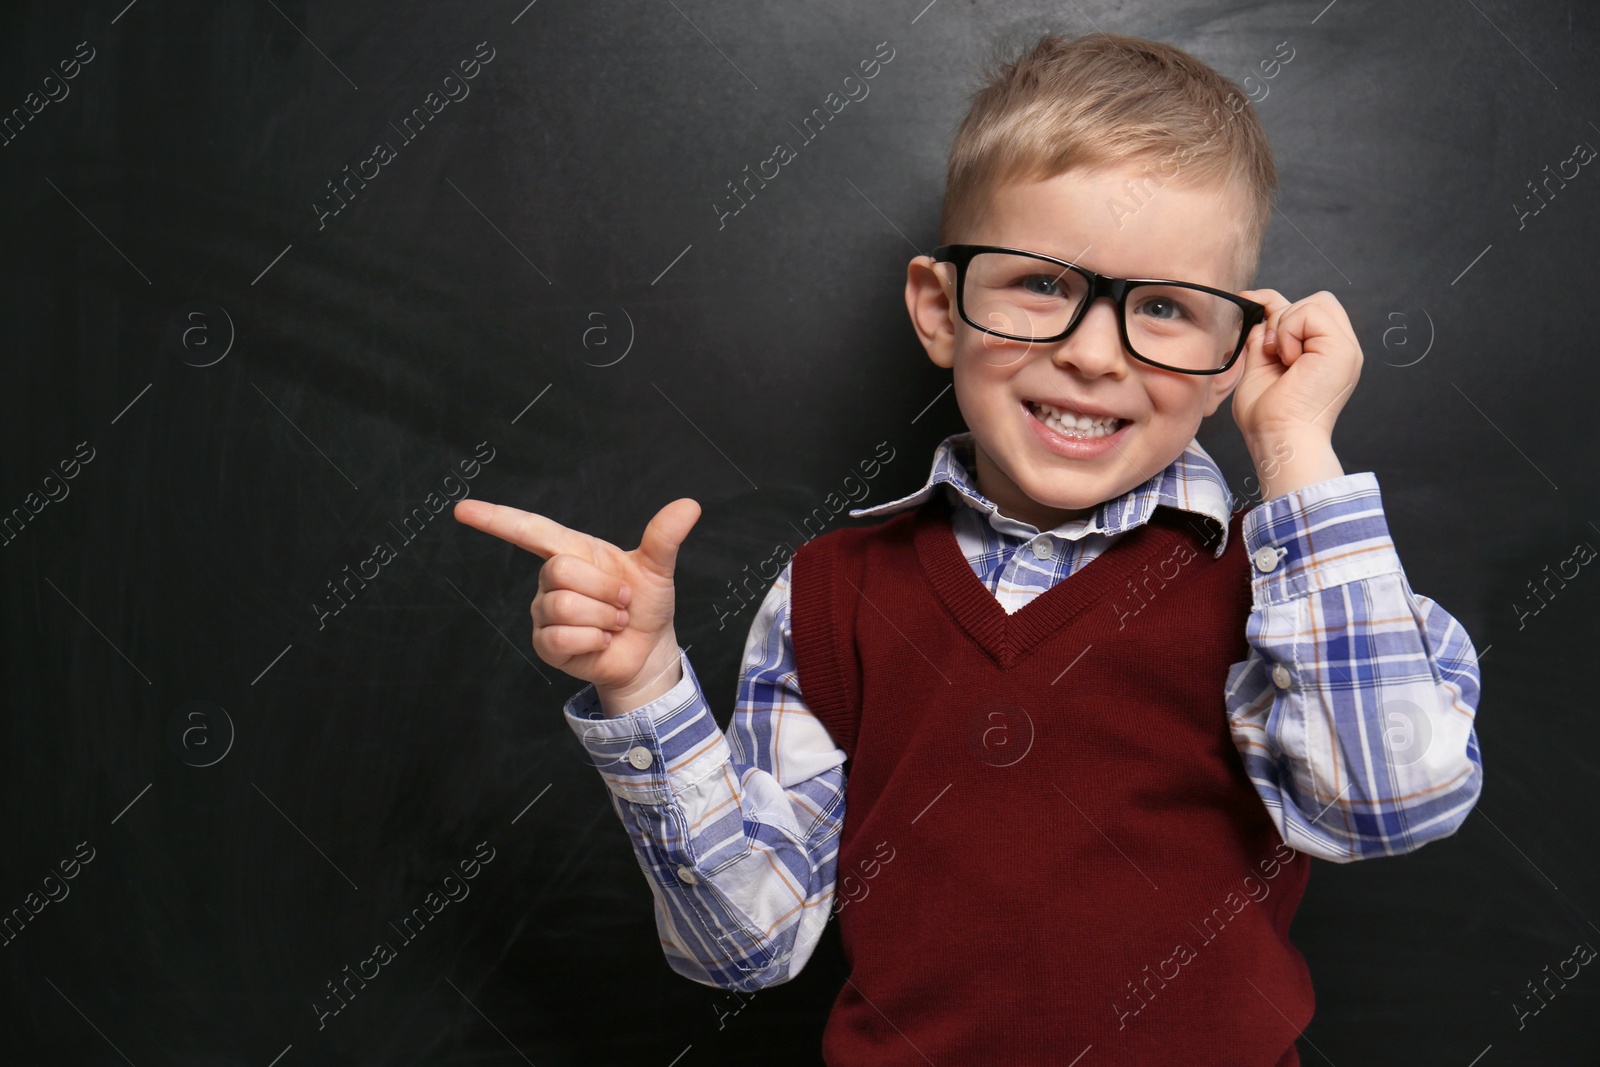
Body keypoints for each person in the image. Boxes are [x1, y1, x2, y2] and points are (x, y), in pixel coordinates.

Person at [454, 31, 1483, 1066]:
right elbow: (744, 947)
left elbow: (1385, 806)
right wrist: (645, 690)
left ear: (1231, 355)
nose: (1089, 352)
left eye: (1165, 308)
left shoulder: (1295, 585)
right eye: (1040, 284)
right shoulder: (833, 592)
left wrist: (1292, 444)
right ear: (940, 309)